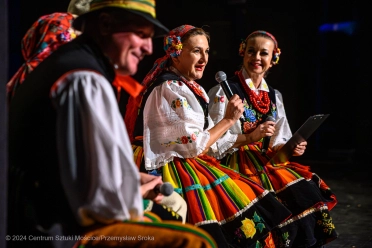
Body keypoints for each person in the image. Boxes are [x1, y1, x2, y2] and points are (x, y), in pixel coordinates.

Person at [7, 1, 217, 248]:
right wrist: (137, 192)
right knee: (195, 241)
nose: (148, 48)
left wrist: (130, 179)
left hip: (43, 215)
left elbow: (81, 165)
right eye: (140, 35)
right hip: (56, 231)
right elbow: (103, 206)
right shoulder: (84, 79)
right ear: (105, 25)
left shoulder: (74, 68)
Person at [125, 24, 293, 248]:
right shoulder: (169, 88)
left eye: (206, 51)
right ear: (176, 53)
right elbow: (194, 144)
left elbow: (208, 141)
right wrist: (228, 121)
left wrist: (249, 137)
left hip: (187, 157)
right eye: (196, 51)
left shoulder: (190, 86)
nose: (204, 57)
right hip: (164, 164)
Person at [207, 30, 338, 247]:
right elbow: (212, 142)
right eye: (251, 51)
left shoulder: (274, 95)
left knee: (304, 193)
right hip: (232, 162)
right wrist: (250, 137)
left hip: (265, 159)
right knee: (262, 211)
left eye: (263, 53)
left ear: (273, 59)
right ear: (243, 53)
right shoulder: (224, 92)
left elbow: (280, 136)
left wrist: (291, 147)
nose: (257, 57)